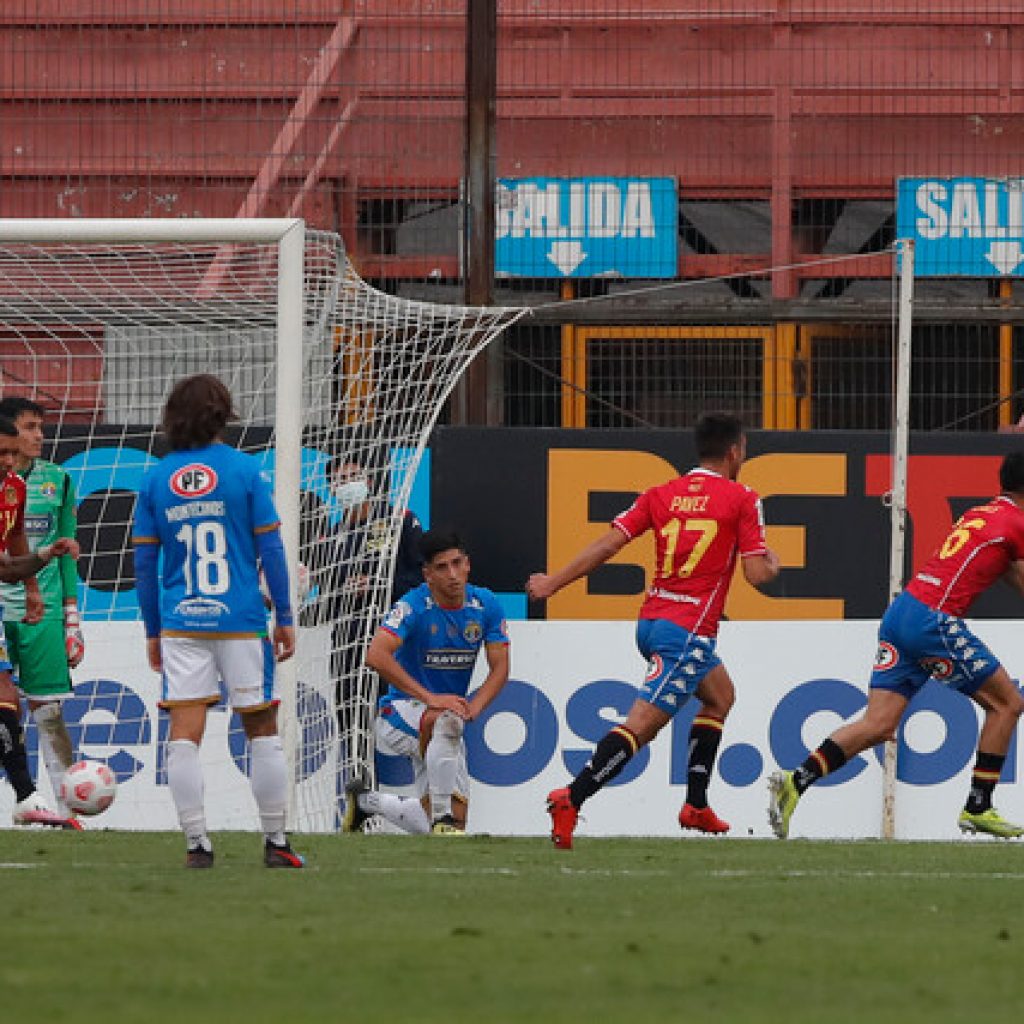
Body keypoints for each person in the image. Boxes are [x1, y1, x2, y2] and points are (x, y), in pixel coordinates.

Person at [527, 411, 780, 850]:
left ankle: (696, 804)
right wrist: (773, 561)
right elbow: (757, 574)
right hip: (688, 633)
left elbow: (608, 544)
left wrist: (552, 583)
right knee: (642, 726)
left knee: (720, 696)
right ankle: (573, 795)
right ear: (736, 451)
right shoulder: (742, 497)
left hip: (651, 624)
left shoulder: (661, 494)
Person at [769, 450, 1024, 841]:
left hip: (903, 612)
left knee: (879, 724)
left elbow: (1005, 567)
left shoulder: (983, 514)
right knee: (1007, 704)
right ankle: (978, 806)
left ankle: (796, 779)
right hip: (933, 622)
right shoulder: (1018, 522)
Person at [131, 374, 303, 869]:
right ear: (224, 413)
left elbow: (144, 565)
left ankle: (196, 845)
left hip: (182, 621)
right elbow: (271, 548)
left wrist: (152, 630)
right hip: (241, 619)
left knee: (184, 732)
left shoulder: (155, 478)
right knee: (261, 726)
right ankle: (276, 843)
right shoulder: (245, 470)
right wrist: (285, 616)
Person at [342, 528, 509, 835]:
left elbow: (500, 668)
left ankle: (368, 802)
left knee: (456, 826)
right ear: (427, 574)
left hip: (447, 718)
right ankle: (441, 818)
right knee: (445, 721)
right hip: (400, 713)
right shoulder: (412, 606)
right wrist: (430, 698)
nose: (453, 575)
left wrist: (476, 706)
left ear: (468, 564)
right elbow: (376, 655)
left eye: (458, 563)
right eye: (442, 567)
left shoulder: (485, 605)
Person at [307, 455, 422, 773]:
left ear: (369, 482)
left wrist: (378, 585)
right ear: (331, 489)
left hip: (393, 639)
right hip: (348, 643)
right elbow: (327, 599)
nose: (348, 484)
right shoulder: (331, 537)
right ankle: (361, 798)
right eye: (339, 480)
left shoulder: (400, 520)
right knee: (351, 724)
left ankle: (432, 796)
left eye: (354, 475)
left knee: (406, 718)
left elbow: (422, 578)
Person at [0, 397, 84, 820]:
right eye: (29, 427)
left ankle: (69, 806)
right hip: (3, 609)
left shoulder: (58, 480)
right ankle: (26, 798)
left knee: (48, 710)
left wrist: (71, 615)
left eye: (40, 427)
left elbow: (67, 551)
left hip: (42, 613)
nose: (38, 436)